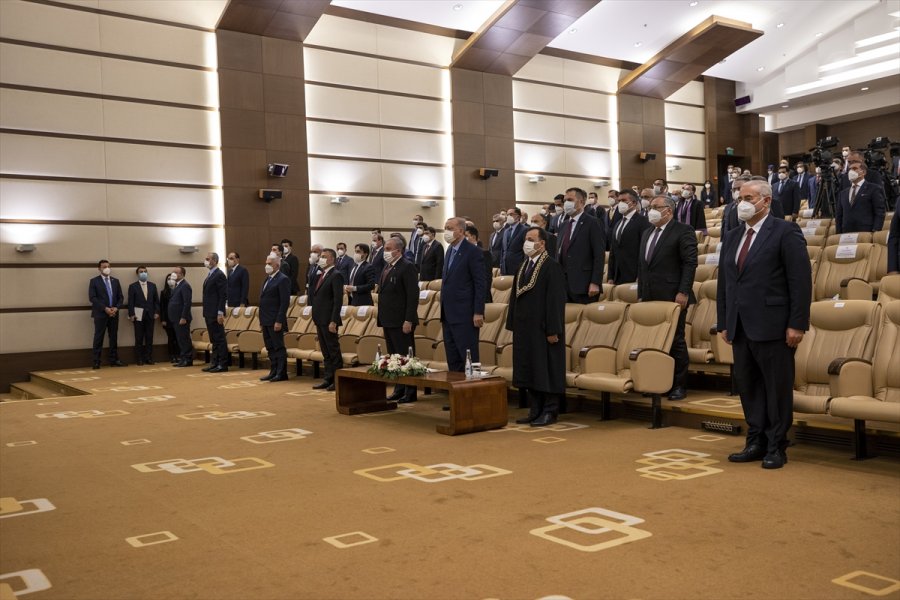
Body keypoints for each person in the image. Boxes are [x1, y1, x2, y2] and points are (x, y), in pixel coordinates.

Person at [717, 179, 811, 470]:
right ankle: (755, 440)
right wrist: (724, 320)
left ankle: (776, 445)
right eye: (739, 197)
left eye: (748, 197)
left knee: (776, 387)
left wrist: (797, 323)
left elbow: (800, 281)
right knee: (749, 386)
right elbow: (725, 284)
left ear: (766, 201)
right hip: (740, 325)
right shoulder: (733, 236)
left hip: (773, 324)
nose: (741, 203)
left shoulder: (785, 231)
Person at [637, 195, 698, 401]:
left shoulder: (683, 230)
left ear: (668, 211)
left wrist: (684, 291)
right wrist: (641, 294)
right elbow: (643, 266)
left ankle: (679, 385)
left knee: (675, 340)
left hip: (673, 295)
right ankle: (657, 382)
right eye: (650, 207)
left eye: (655, 207)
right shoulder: (647, 232)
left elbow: (690, 263)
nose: (650, 210)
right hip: (649, 295)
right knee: (654, 341)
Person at [507, 227, 567, 427]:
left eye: (531, 239)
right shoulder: (523, 266)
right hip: (525, 328)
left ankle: (550, 410)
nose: (527, 243)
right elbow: (514, 298)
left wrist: (553, 329)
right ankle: (535, 409)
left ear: (542, 243)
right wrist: (513, 323)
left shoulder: (552, 267)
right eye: (526, 239)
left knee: (546, 369)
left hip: (544, 329)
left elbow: (555, 302)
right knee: (529, 368)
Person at [377, 238, 420, 403]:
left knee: (406, 357)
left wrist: (408, 319)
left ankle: (410, 391)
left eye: (388, 248)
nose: (385, 251)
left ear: (398, 251)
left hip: (401, 320)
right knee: (394, 358)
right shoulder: (387, 267)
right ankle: (398, 388)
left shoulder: (407, 266)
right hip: (388, 319)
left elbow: (412, 295)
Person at [440, 217, 486, 372]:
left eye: (449, 228)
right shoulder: (449, 251)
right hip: (448, 314)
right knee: (453, 358)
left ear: (460, 231)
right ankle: (457, 393)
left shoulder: (473, 251)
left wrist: (478, 311)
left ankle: (473, 394)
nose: (446, 231)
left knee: (468, 357)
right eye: (445, 227)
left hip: (465, 314)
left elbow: (480, 284)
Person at [556, 187, 606, 304]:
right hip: (564, 285)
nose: (566, 203)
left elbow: (599, 255)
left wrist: (595, 282)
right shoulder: (563, 225)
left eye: (570, 200)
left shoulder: (593, 222)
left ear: (582, 202)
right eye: (565, 200)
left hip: (585, 285)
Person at [310, 249, 344, 391]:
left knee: (333, 351)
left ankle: (338, 381)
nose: (321, 259)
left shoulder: (336, 275)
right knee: (326, 352)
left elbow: (338, 300)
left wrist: (334, 321)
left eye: (324, 257)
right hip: (320, 318)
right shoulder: (321, 274)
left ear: (331, 259)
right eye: (321, 256)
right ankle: (328, 378)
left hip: (329, 320)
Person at [258, 253, 291, 382]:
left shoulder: (283, 279)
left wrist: (279, 320)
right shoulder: (267, 279)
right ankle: (273, 370)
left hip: (275, 319)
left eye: (269, 263)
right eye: (266, 263)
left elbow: (284, 302)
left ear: (277, 265)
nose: (267, 266)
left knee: (278, 346)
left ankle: (281, 372)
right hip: (265, 319)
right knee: (270, 347)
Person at [607, 189, 651, 285]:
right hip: (617, 276)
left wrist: (641, 275)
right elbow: (613, 251)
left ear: (634, 203)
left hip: (634, 274)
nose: (620, 204)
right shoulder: (618, 223)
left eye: (624, 201)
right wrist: (610, 276)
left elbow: (644, 251)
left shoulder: (643, 222)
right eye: (619, 201)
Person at [88, 259, 125, 369]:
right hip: (100, 314)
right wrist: (105, 308)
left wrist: (116, 308)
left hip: (114, 313)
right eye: (104, 266)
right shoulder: (94, 281)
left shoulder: (115, 281)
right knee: (98, 337)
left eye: (108, 266)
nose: (107, 268)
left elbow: (121, 297)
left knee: (113, 337)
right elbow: (92, 298)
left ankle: (114, 359)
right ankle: (96, 361)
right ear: (99, 268)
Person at [836, 162, 886, 234]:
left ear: (863, 172)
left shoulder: (874, 189)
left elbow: (879, 212)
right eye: (850, 169)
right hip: (846, 233)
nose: (851, 171)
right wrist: (838, 233)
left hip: (866, 232)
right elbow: (839, 215)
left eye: (855, 168)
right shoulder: (843, 193)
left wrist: (876, 230)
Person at [201, 252, 228, 373]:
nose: (206, 261)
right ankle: (215, 362)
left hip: (215, 312)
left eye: (208, 259)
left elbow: (222, 295)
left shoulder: (219, 275)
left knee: (219, 339)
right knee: (214, 339)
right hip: (208, 312)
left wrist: (220, 312)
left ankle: (222, 364)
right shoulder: (210, 275)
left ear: (215, 261)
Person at [127, 266, 160, 366]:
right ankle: (139, 359)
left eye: (145, 272)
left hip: (150, 314)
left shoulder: (152, 285)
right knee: (139, 337)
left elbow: (156, 301)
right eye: (141, 272)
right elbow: (130, 302)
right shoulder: (133, 286)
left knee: (149, 337)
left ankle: (148, 358)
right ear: (137, 274)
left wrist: (157, 312)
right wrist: (131, 314)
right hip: (138, 314)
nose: (143, 273)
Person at [168, 266, 194, 367]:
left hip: (181, 318)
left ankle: (188, 359)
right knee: (180, 339)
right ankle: (183, 358)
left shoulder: (185, 285)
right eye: (173, 271)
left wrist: (183, 317)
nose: (173, 274)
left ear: (182, 274)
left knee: (184, 339)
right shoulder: (176, 285)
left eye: (176, 272)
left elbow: (187, 303)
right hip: (175, 318)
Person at [465, 225, 494, 304]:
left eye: (466, 236)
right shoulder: (461, 254)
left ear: (473, 237)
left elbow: (487, 278)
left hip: (481, 298)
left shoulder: (484, 253)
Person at [159, 273, 180, 363]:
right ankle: (172, 355)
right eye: (168, 279)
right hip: (168, 319)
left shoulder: (179, 289)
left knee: (178, 338)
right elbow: (162, 307)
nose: (170, 280)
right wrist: (163, 319)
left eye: (171, 278)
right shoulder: (163, 292)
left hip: (178, 318)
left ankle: (179, 355)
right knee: (171, 338)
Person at [500, 207, 526, 276]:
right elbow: (503, 250)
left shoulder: (524, 230)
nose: (508, 216)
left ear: (518, 216)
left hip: (518, 267)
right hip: (505, 268)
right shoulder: (506, 231)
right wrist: (501, 265)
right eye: (507, 214)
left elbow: (525, 251)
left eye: (511, 214)